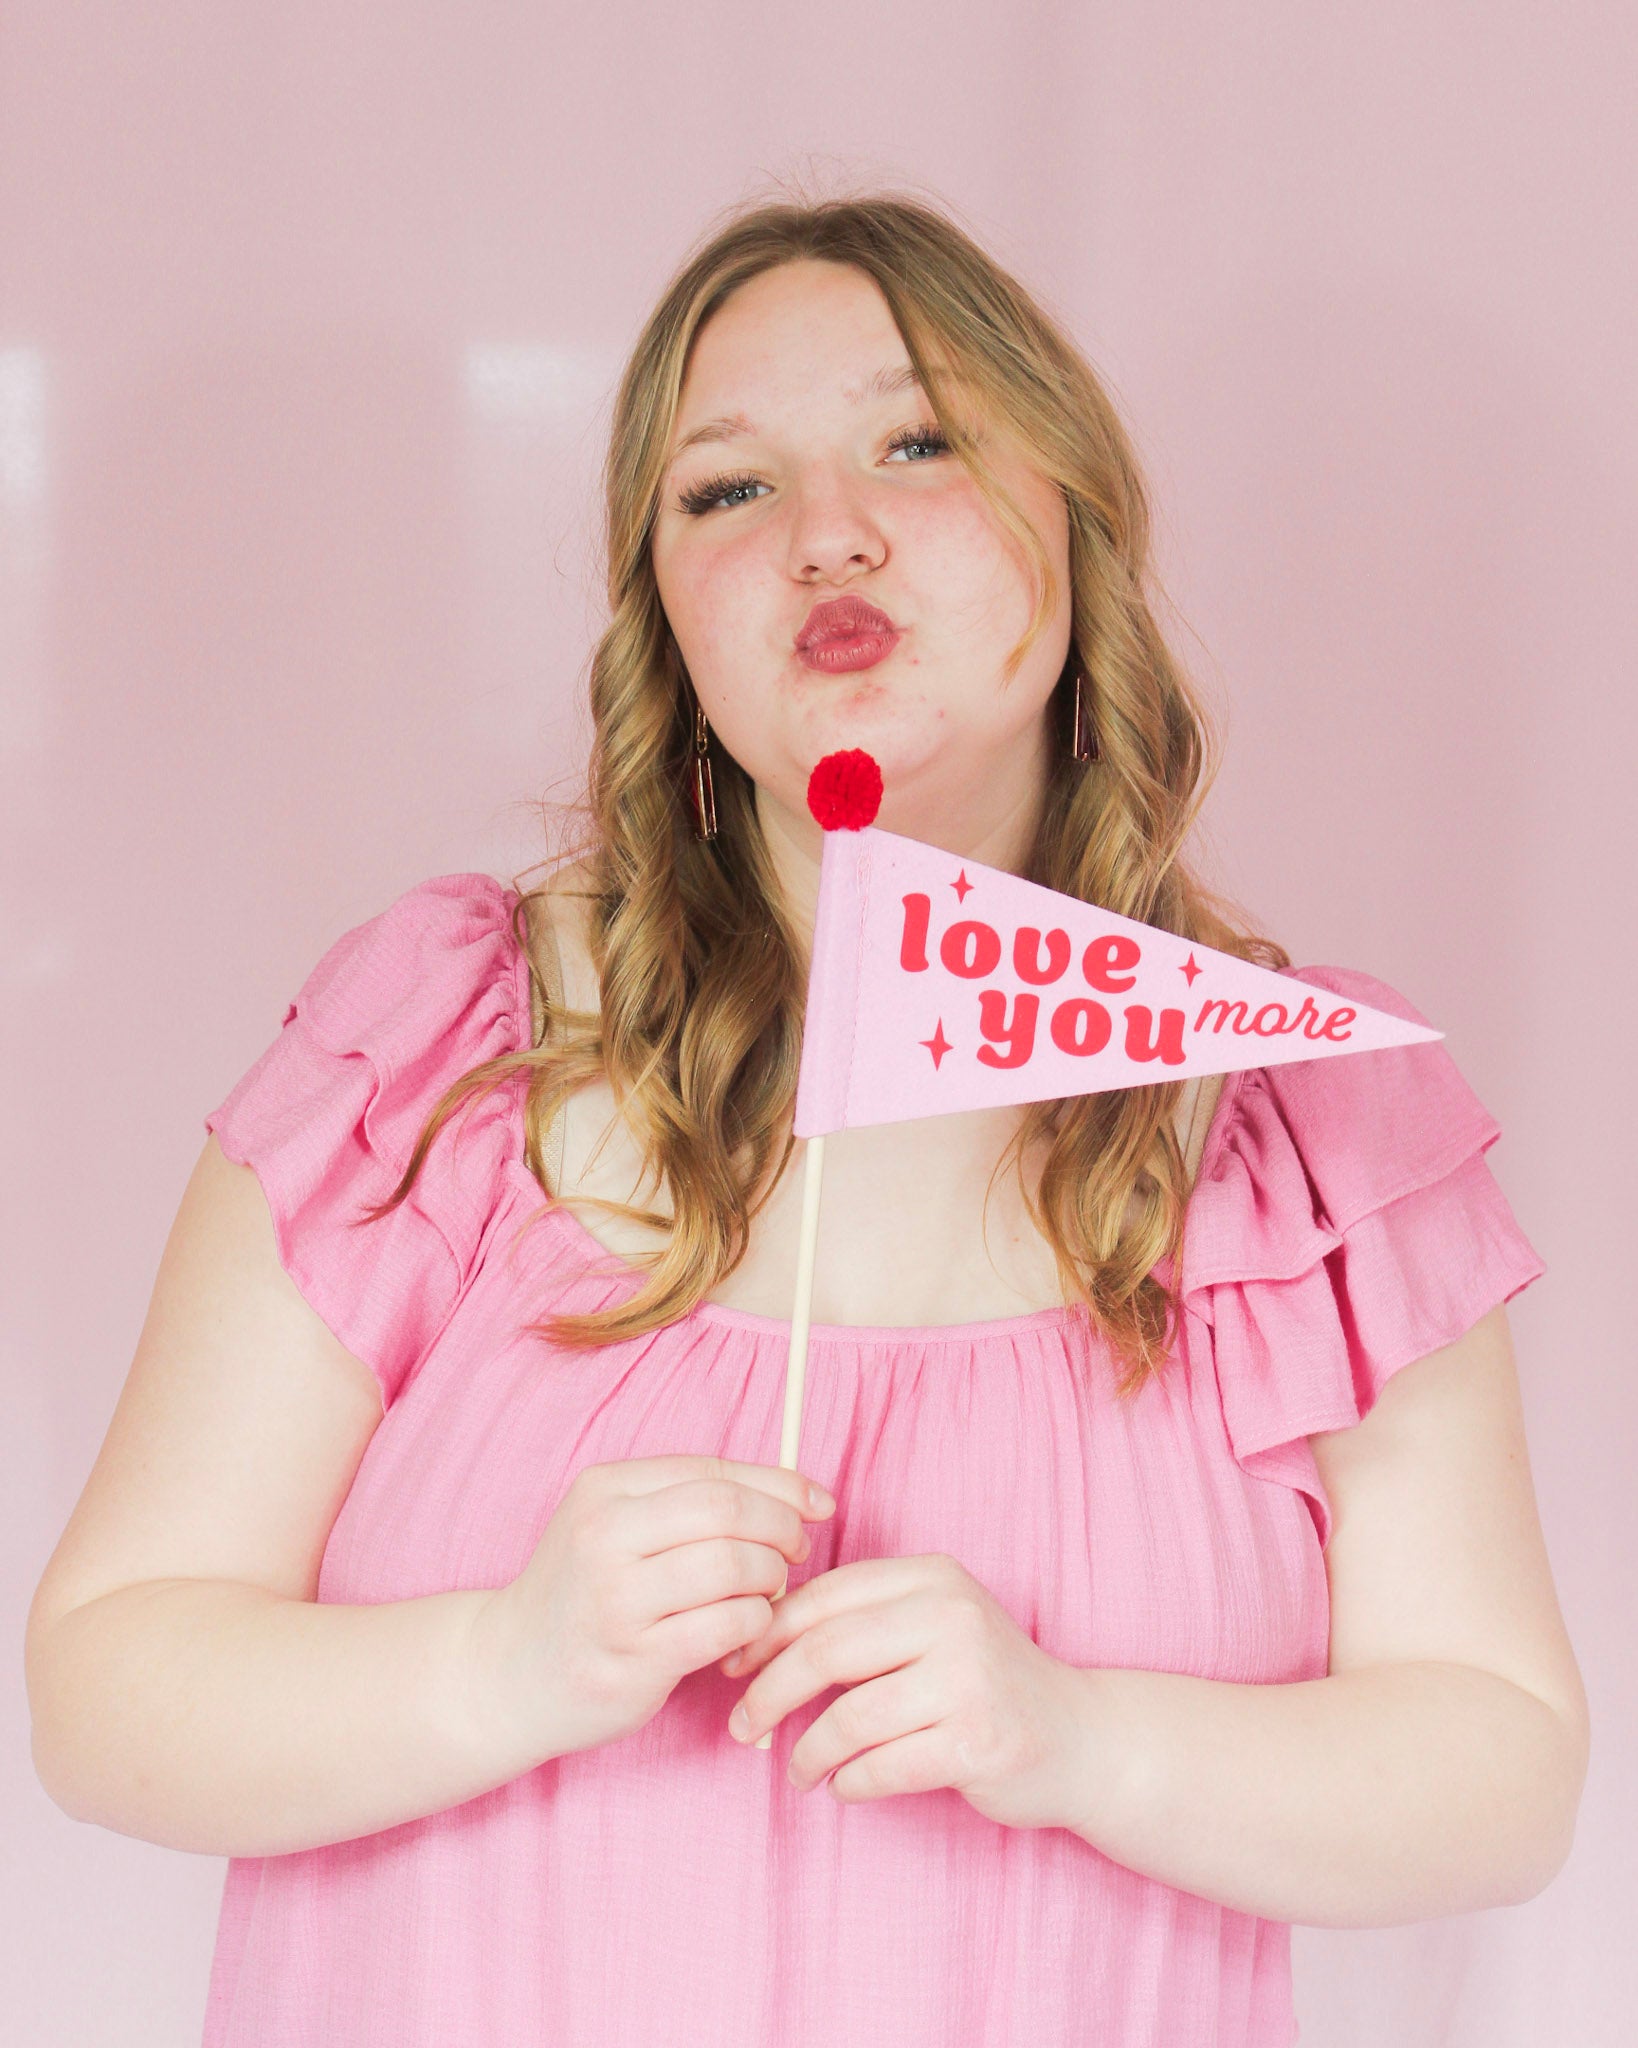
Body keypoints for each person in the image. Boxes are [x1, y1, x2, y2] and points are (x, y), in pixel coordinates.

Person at [26, 193, 1588, 2048]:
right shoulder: (447, 1047)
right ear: (665, 615)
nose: (824, 531)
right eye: (723, 491)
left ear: (1073, 521)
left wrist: (1076, 1736)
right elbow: (102, 1693)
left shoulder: (1308, 1130)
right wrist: (501, 1665)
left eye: (916, 442)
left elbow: (1501, 1770)